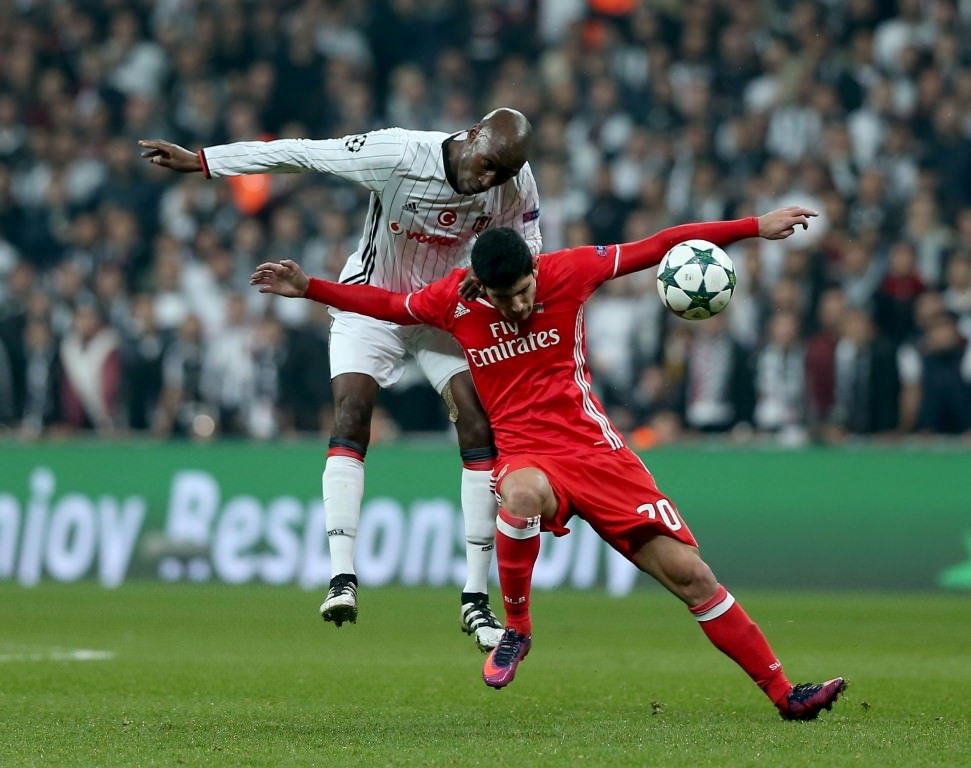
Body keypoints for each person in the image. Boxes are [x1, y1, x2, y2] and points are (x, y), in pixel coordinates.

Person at [249, 206, 847, 720]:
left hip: (598, 453)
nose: (516, 305)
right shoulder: (452, 303)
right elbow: (386, 303)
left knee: (694, 578)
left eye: (523, 291)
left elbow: (661, 245)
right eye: (503, 297)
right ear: (480, 287)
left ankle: (785, 694)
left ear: (535, 270)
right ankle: (517, 628)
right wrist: (312, 288)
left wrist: (753, 226)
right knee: (521, 494)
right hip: (527, 455)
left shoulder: (569, 271)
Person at [140, 108, 542, 651]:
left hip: (438, 314)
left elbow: (529, 243)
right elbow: (302, 151)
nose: (489, 180)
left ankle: (475, 598)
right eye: (489, 164)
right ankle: (342, 577)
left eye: (502, 173)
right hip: (369, 305)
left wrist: (499, 276)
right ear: (472, 136)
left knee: (478, 426)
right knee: (352, 415)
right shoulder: (399, 153)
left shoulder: (514, 180)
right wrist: (208, 161)